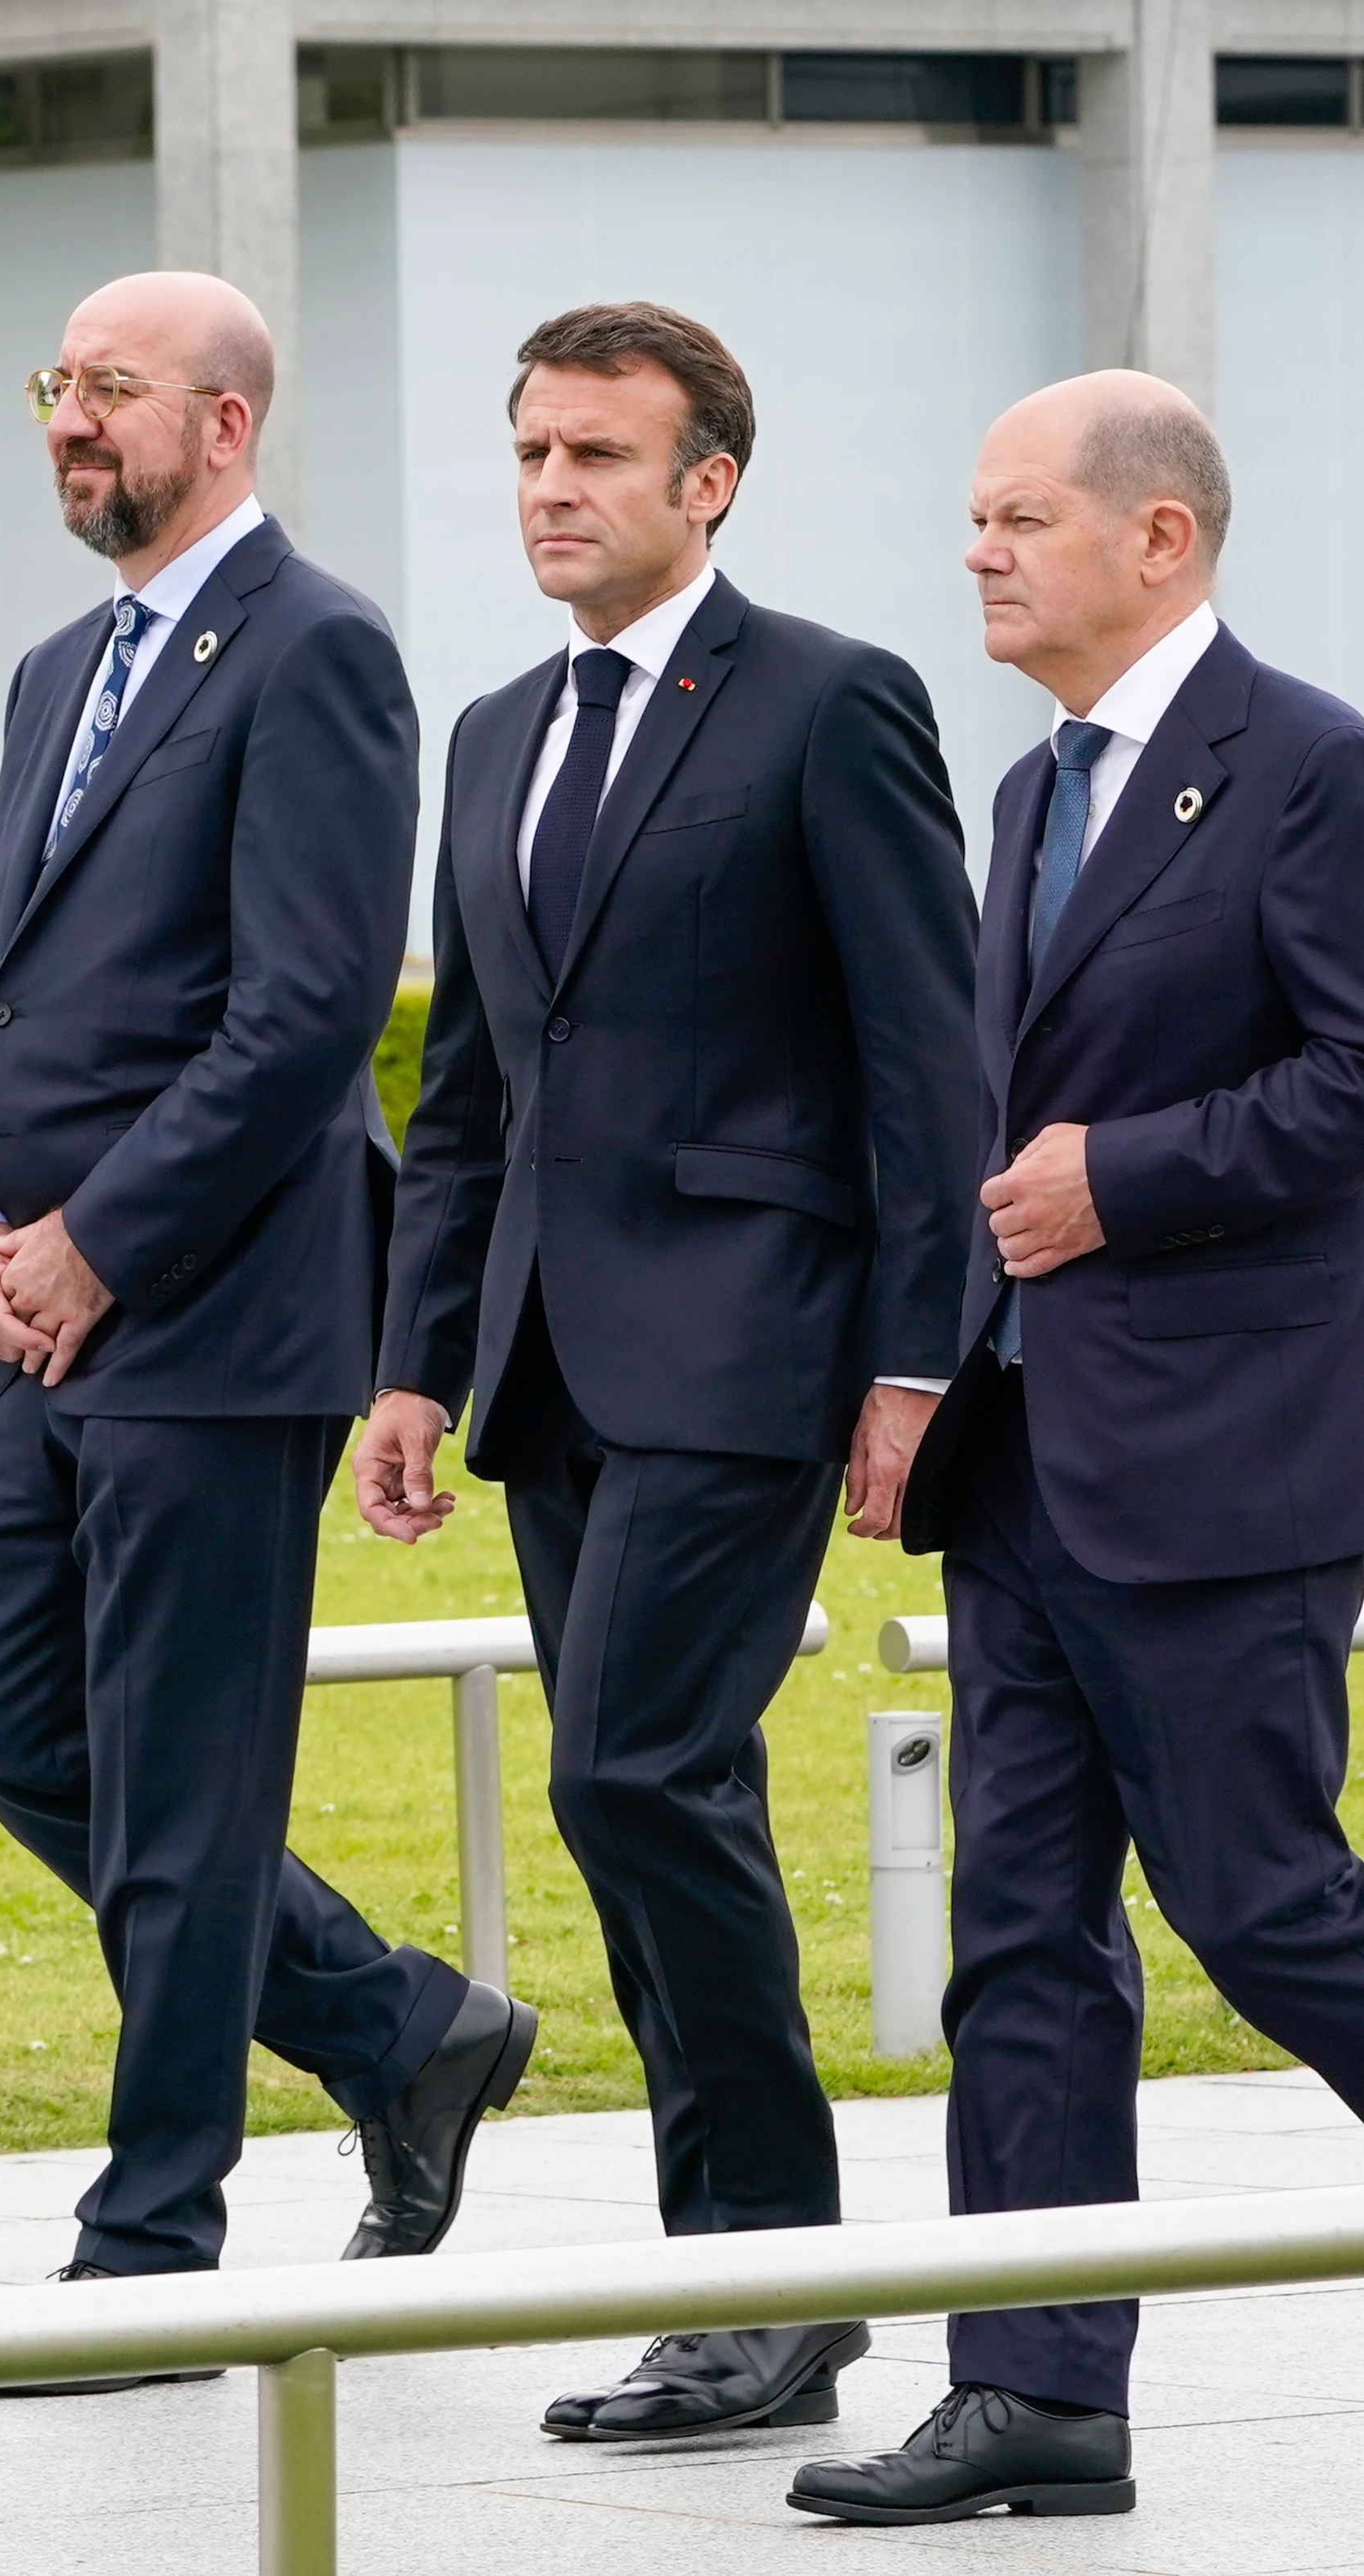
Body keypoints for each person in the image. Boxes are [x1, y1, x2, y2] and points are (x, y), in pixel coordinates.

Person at [357, 303, 979, 2447]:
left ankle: (767, 2276)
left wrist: (921, 1356)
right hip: (543, 1359)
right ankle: (739, 2279)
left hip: (750, 1342)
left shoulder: (829, 703)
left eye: (598, 456)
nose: (551, 487)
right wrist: (417, 1364)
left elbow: (930, 1062)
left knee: (633, 1771)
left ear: (706, 481)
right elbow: (463, 1095)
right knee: (626, 1793)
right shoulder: (491, 733)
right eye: (532, 450)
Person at [0, 272, 532, 2379]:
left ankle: (149, 2251)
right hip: (33, 1334)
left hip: (213, 1322)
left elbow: (303, 1013)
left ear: (227, 420)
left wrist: (100, 1241)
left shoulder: (319, 649)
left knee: (183, 1796)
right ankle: (391, 2020)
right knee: (17, 1735)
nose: (70, 421)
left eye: (108, 389)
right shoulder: (47, 674)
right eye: (56, 383)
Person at [794, 372, 1364, 2526]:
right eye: (970, 518)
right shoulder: (1032, 793)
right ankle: (1035, 2386)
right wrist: (930, 1369)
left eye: (1016, 516)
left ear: (1160, 537)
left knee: (1260, 1902)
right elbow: (981, 1135)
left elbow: (1353, 1078)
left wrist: (1129, 1177)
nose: (975, 551)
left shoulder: (1309, 769)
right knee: (1018, 1935)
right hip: (1024, 1460)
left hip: (1225, 1457)